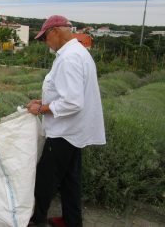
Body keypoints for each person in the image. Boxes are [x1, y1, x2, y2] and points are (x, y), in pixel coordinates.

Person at [26, 15, 106, 227]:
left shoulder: (69, 58)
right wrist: (44, 101)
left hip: (64, 132)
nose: (45, 43)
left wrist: (41, 108)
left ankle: (37, 219)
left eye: (45, 38)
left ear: (55, 32)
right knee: (70, 180)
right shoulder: (79, 52)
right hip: (75, 131)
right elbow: (68, 94)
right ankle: (71, 221)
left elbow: (72, 102)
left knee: (45, 179)